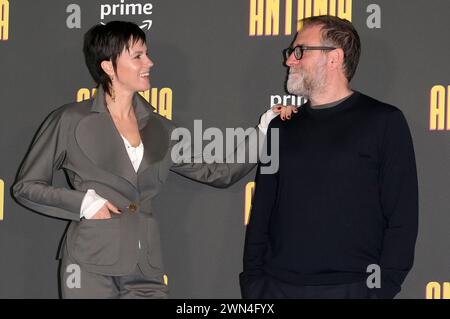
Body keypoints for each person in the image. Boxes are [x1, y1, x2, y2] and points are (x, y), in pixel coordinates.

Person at [12, 21, 291, 299]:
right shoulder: (70, 120)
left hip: (147, 266)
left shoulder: (160, 128)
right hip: (90, 263)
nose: (150, 62)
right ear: (108, 66)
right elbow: (26, 187)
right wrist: (84, 203)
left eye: (146, 53)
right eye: (137, 56)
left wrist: (264, 129)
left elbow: (217, 173)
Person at [240, 15, 418, 299]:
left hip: (353, 287)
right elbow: (261, 212)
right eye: (291, 52)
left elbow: (402, 217)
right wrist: (254, 284)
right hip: (276, 288)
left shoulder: (384, 121)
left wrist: (382, 288)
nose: (290, 61)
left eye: (300, 51)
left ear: (334, 57)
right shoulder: (281, 126)